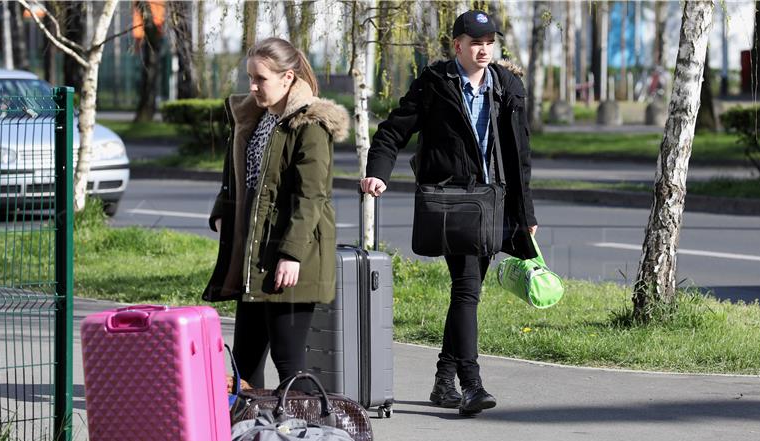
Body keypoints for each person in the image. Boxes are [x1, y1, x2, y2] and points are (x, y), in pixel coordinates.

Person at [360, 10, 538, 415]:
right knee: (467, 288)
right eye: (476, 42)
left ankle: (444, 380)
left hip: (495, 204)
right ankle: (471, 384)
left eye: (490, 41)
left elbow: (520, 156)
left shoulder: (507, 87)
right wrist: (377, 173)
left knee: (466, 294)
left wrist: (525, 213)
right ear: (457, 44)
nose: (484, 49)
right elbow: (393, 130)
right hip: (452, 202)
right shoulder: (436, 83)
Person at [203, 37, 349, 390]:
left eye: (260, 79)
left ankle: (314, 434)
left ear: (288, 78)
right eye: (250, 77)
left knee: (290, 362)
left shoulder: (309, 125)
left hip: (290, 259)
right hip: (256, 257)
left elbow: (311, 196)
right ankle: (250, 439)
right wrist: (223, 210)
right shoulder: (255, 119)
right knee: (245, 363)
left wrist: (291, 254)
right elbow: (239, 175)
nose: (252, 86)